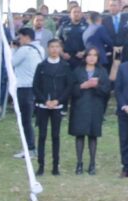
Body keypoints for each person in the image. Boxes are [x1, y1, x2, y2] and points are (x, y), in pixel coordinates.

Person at [33, 38, 75, 176]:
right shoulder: (41, 66)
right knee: (42, 135)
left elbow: (69, 86)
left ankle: (55, 166)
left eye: (57, 47)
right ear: (48, 48)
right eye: (52, 46)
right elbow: (35, 86)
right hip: (43, 105)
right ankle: (41, 165)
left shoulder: (65, 66)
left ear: (60, 49)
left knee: (55, 135)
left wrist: (58, 100)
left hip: (58, 105)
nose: (54, 49)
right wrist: (45, 100)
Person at [69, 47, 111, 175]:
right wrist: (82, 86)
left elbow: (106, 90)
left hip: (95, 106)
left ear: (98, 58)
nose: (92, 57)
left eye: (94, 55)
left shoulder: (102, 71)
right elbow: (70, 89)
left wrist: (96, 86)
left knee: (93, 135)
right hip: (80, 106)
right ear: (85, 57)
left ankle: (92, 164)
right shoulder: (77, 71)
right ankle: (79, 163)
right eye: (89, 55)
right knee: (79, 134)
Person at [12, 28, 44, 160]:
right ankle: (30, 147)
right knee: (27, 119)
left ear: (26, 37)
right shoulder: (39, 49)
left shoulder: (24, 50)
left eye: (20, 37)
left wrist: (13, 49)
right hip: (34, 87)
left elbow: (11, 62)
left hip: (24, 87)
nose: (18, 40)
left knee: (25, 120)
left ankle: (29, 148)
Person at [118, 56, 128, 178]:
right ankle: (126, 167)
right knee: (124, 140)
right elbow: (118, 89)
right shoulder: (123, 67)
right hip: (124, 111)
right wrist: (124, 106)